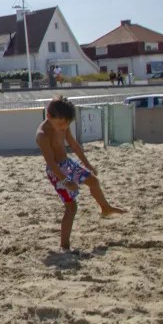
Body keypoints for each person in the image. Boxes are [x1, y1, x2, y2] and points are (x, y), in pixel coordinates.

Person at [36, 96, 126, 251]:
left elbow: (74, 145)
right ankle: (65, 245)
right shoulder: (42, 135)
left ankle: (105, 208)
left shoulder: (63, 123)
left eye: (67, 125)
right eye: (61, 125)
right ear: (49, 116)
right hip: (56, 171)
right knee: (71, 207)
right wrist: (64, 181)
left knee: (93, 181)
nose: (64, 128)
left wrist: (87, 164)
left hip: (68, 164)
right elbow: (51, 163)